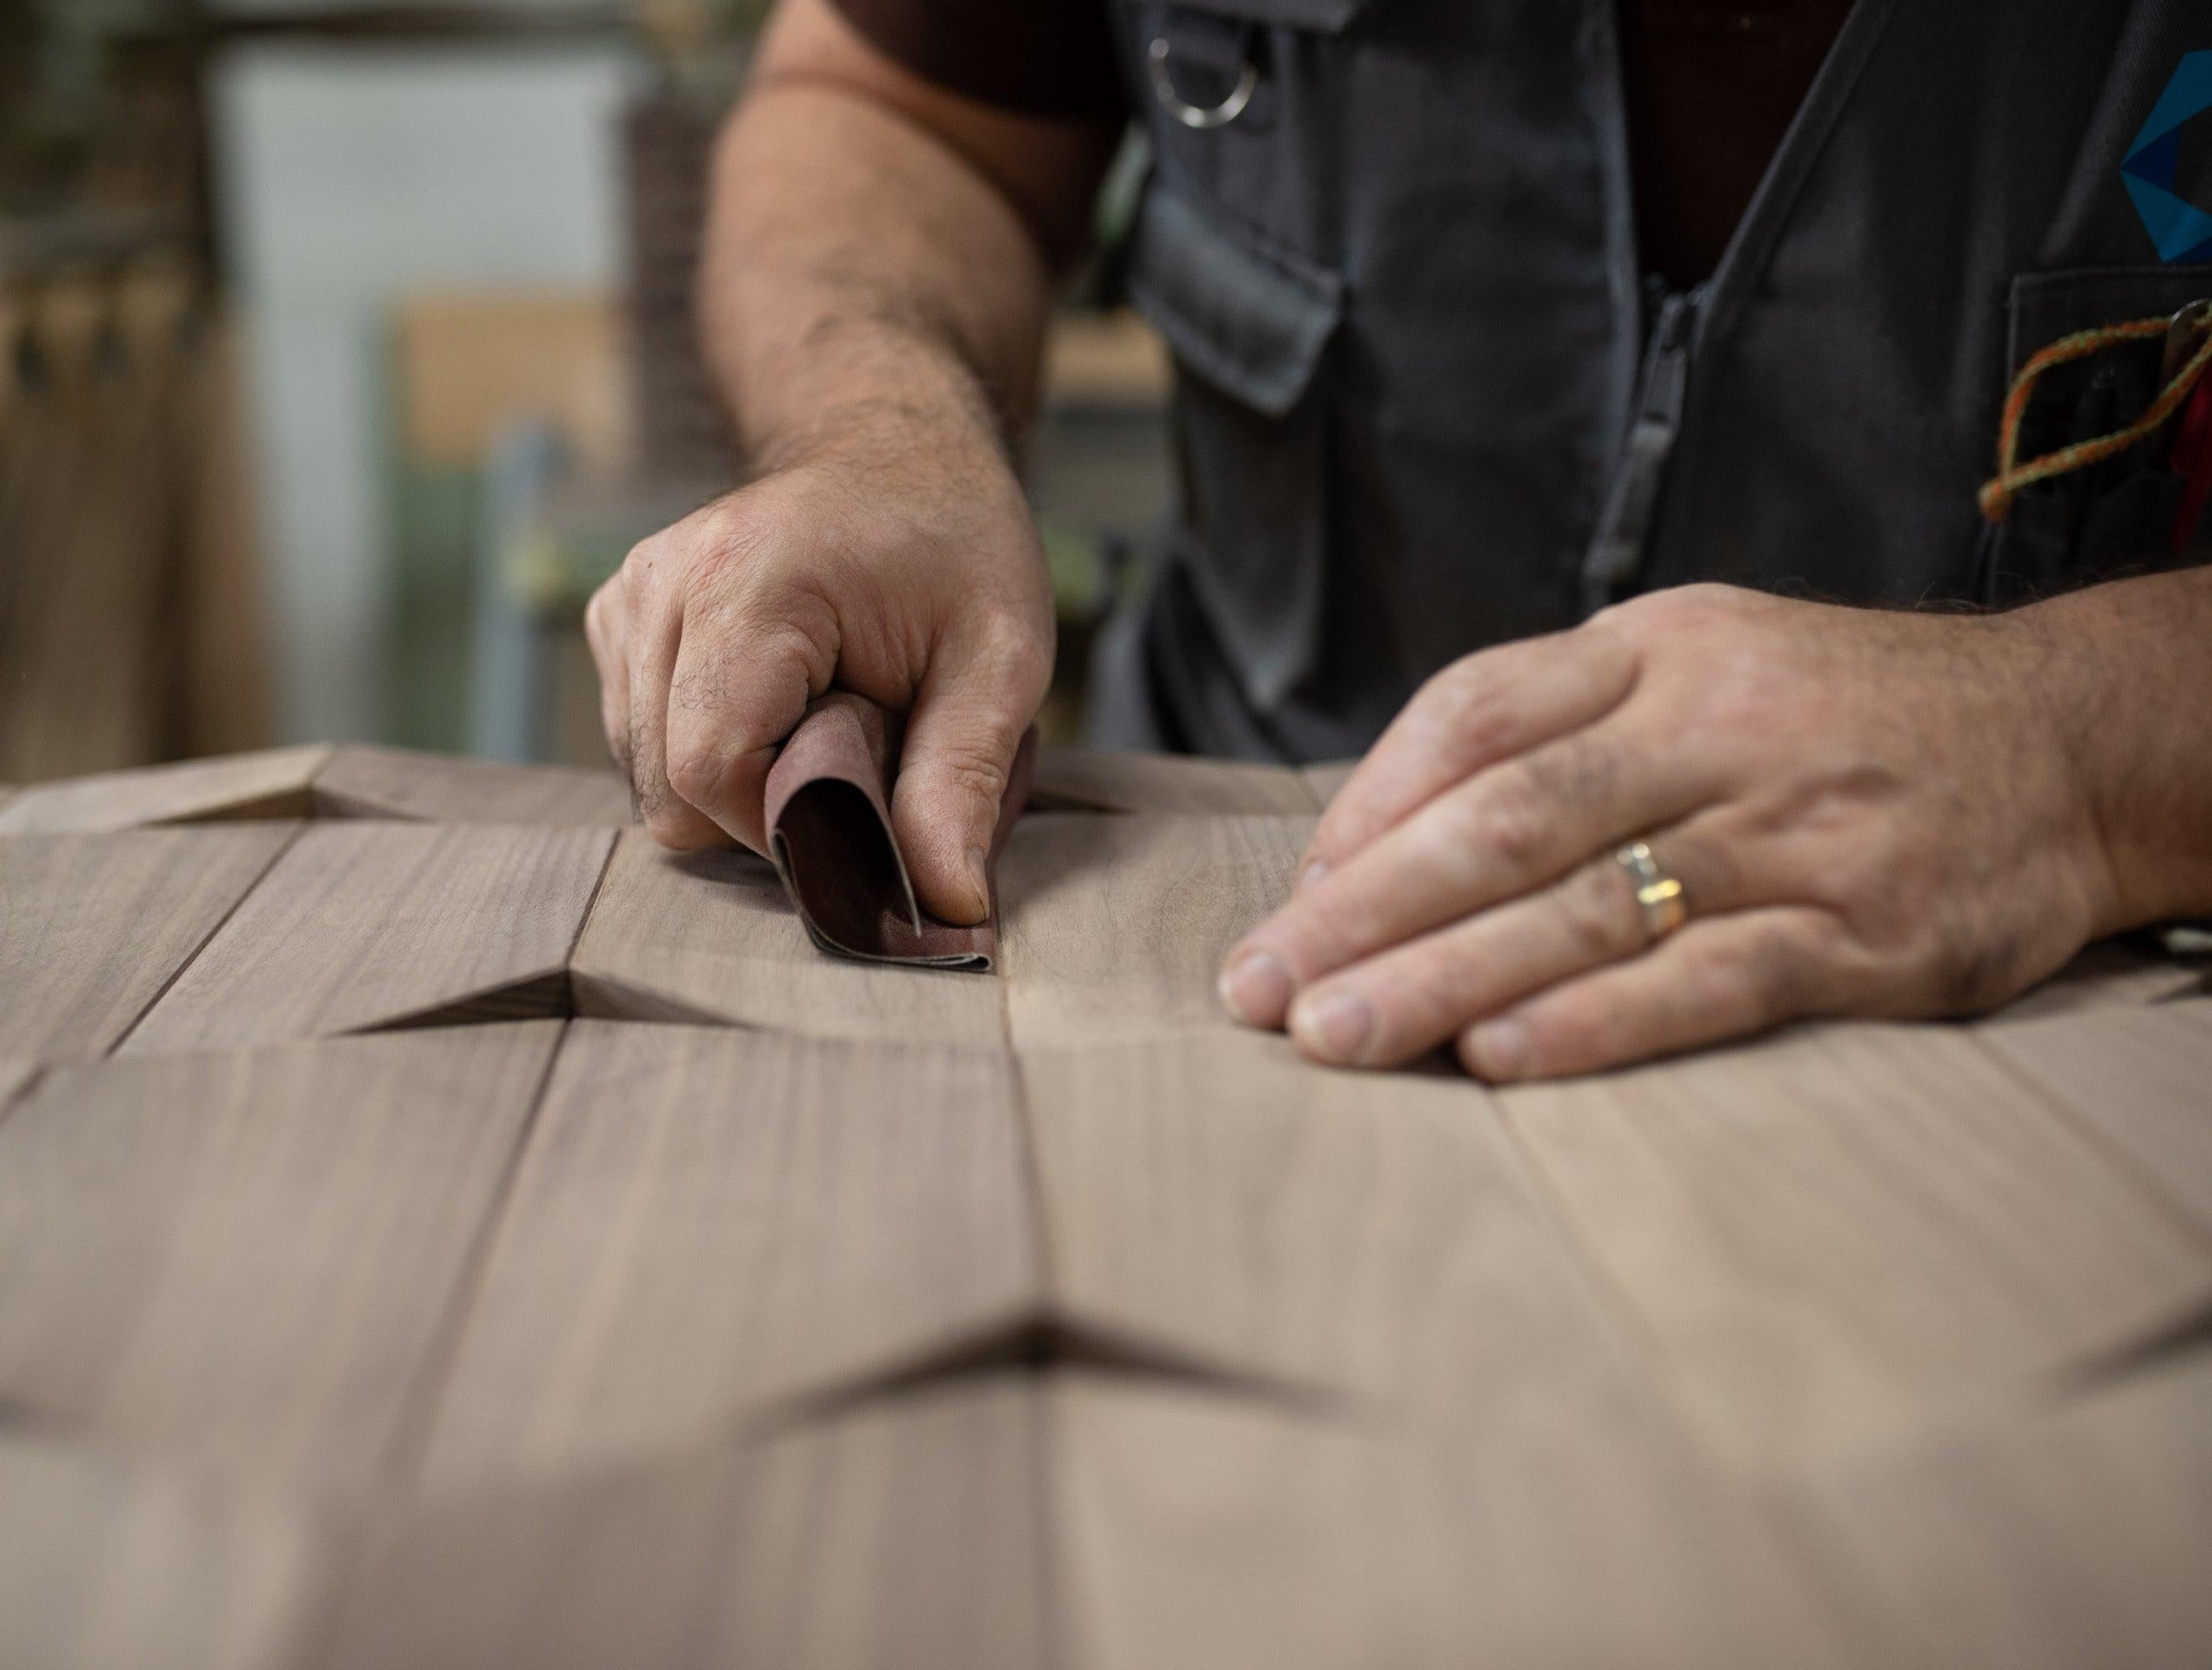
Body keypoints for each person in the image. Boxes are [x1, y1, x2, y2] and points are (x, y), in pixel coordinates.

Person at [584, 0, 2212, 1079]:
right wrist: (880, 424)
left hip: (2046, 1021)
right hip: (1199, 927)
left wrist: (2089, 743)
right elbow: (906, 108)